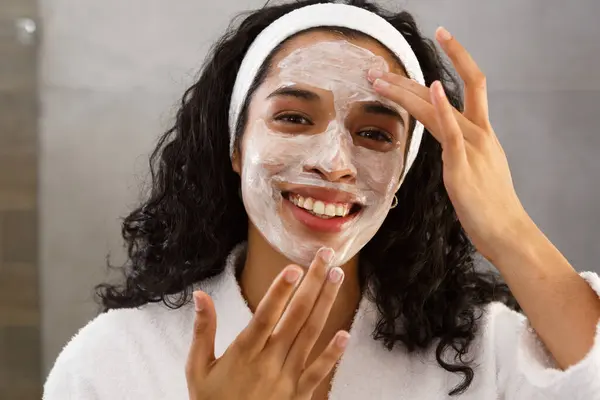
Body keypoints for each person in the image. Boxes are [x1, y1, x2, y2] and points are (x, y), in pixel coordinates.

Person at [43, 1, 600, 399]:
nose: (334, 161)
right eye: (293, 117)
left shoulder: (484, 354)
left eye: (376, 134)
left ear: (404, 172)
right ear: (235, 144)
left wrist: (508, 228)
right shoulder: (114, 363)